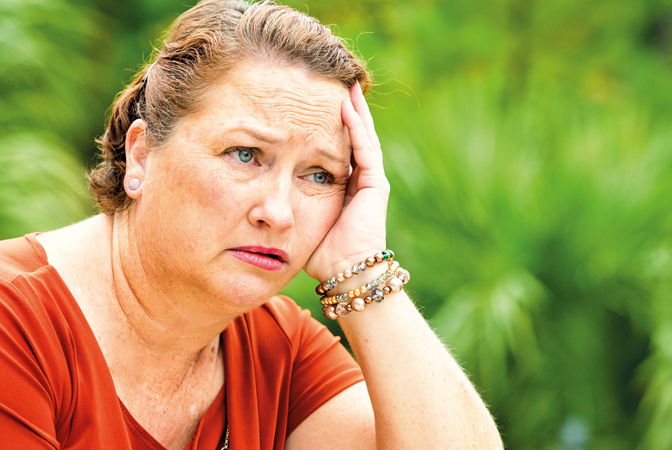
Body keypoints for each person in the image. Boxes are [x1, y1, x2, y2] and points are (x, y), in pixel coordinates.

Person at [0, 1, 503, 449]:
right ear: (141, 155)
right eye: (245, 154)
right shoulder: (15, 319)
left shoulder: (279, 350)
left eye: (319, 175)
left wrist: (360, 268)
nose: (279, 213)